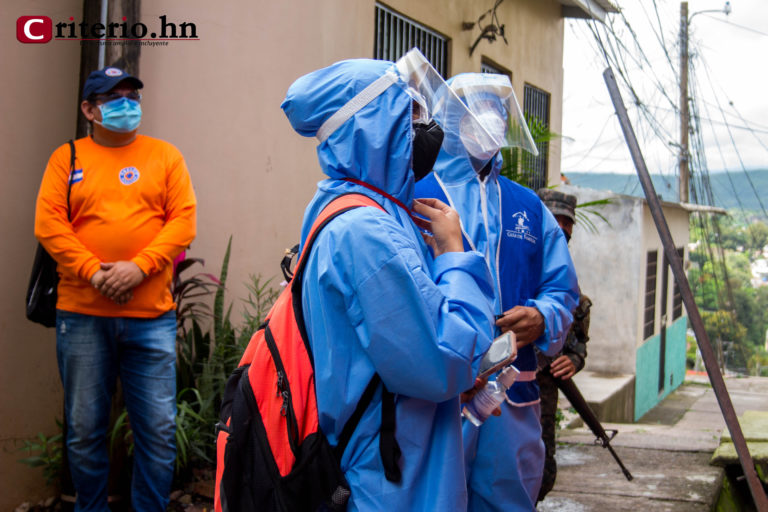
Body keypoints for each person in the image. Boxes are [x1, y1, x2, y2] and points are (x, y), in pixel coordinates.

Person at [280, 50, 498, 511]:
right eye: (413, 111)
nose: (428, 126)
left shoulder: (353, 208)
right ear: (373, 126)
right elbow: (442, 362)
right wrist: (456, 254)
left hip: (389, 454)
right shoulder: (366, 232)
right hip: (388, 473)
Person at [34, 66, 197, 511]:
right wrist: (95, 272)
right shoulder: (65, 158)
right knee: (85, 430)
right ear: (89, 109)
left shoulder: (165, 157)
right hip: (83, 315)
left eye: (132, 96)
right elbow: (49, 224)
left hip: (152, 319)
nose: (127, 105)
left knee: (159, 429)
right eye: (113, 97)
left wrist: (138, 268)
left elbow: (183, 221)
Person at [414, 73, 579, 511]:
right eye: (476, 113)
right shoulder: (416, 197)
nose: (489, 124)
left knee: (508, 499)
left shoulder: (529, 207)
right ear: (450, 119)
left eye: (497, 113)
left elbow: (562, 287)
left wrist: (543, 316)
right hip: (440, 398)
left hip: (513, 397)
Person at [535, 189, 592, 503]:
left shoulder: (564, 276)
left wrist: (573, 358)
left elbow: (578, 339)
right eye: (552, 223)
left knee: (541, 471)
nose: (559, 232)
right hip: (496, 386)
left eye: (565, 228)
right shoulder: (510, 256)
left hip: (542, 390)